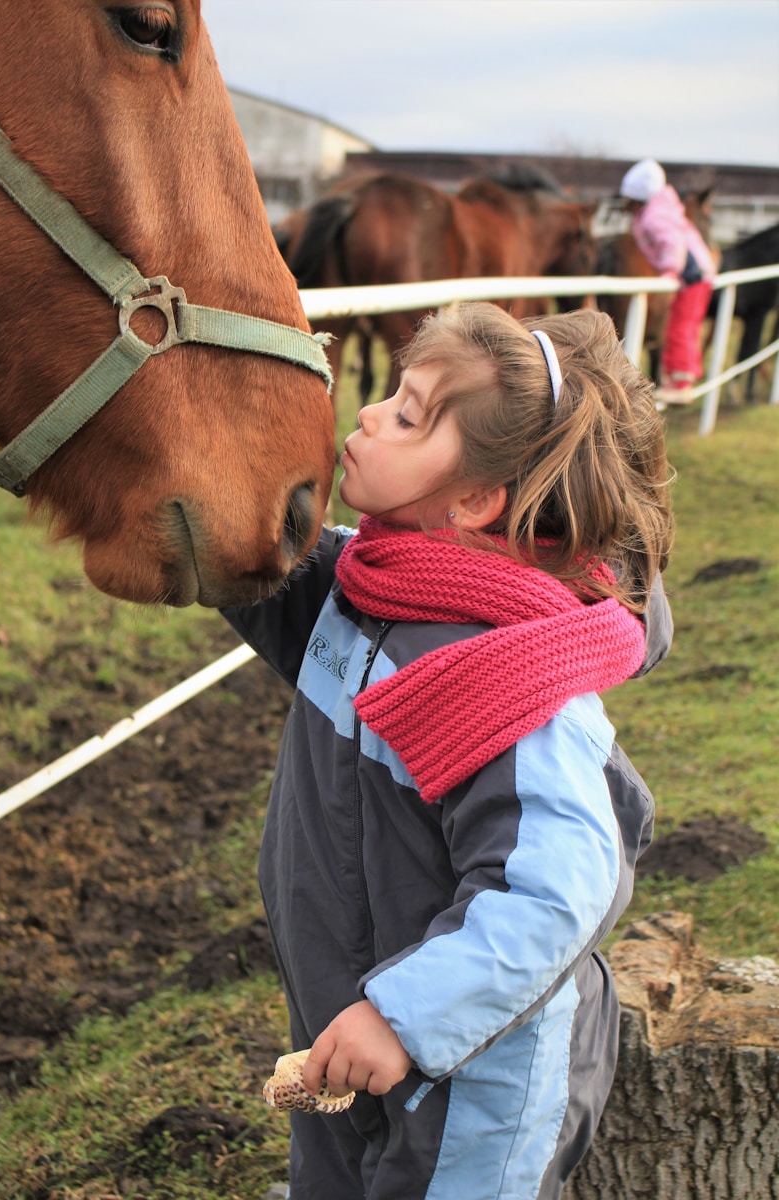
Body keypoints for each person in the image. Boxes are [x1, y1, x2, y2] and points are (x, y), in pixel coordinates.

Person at [222, 303, 675, 1200]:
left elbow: (552, 894)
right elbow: (249, 551)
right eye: (389, 394)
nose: (369, 414)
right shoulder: (365, 591)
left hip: (477, 1077)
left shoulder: (512, 681)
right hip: (353, 1024)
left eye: (409, 413)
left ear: (474, 500)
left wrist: (403, 1017)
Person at [619, 157, 717, 405]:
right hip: (698, 276)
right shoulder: (659, 210)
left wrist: (670, 272)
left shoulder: (654, 216)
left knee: (679, 327)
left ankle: (680, 385)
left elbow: (673, 244)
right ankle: (685, 375)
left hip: (691, 277)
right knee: (687, 326)